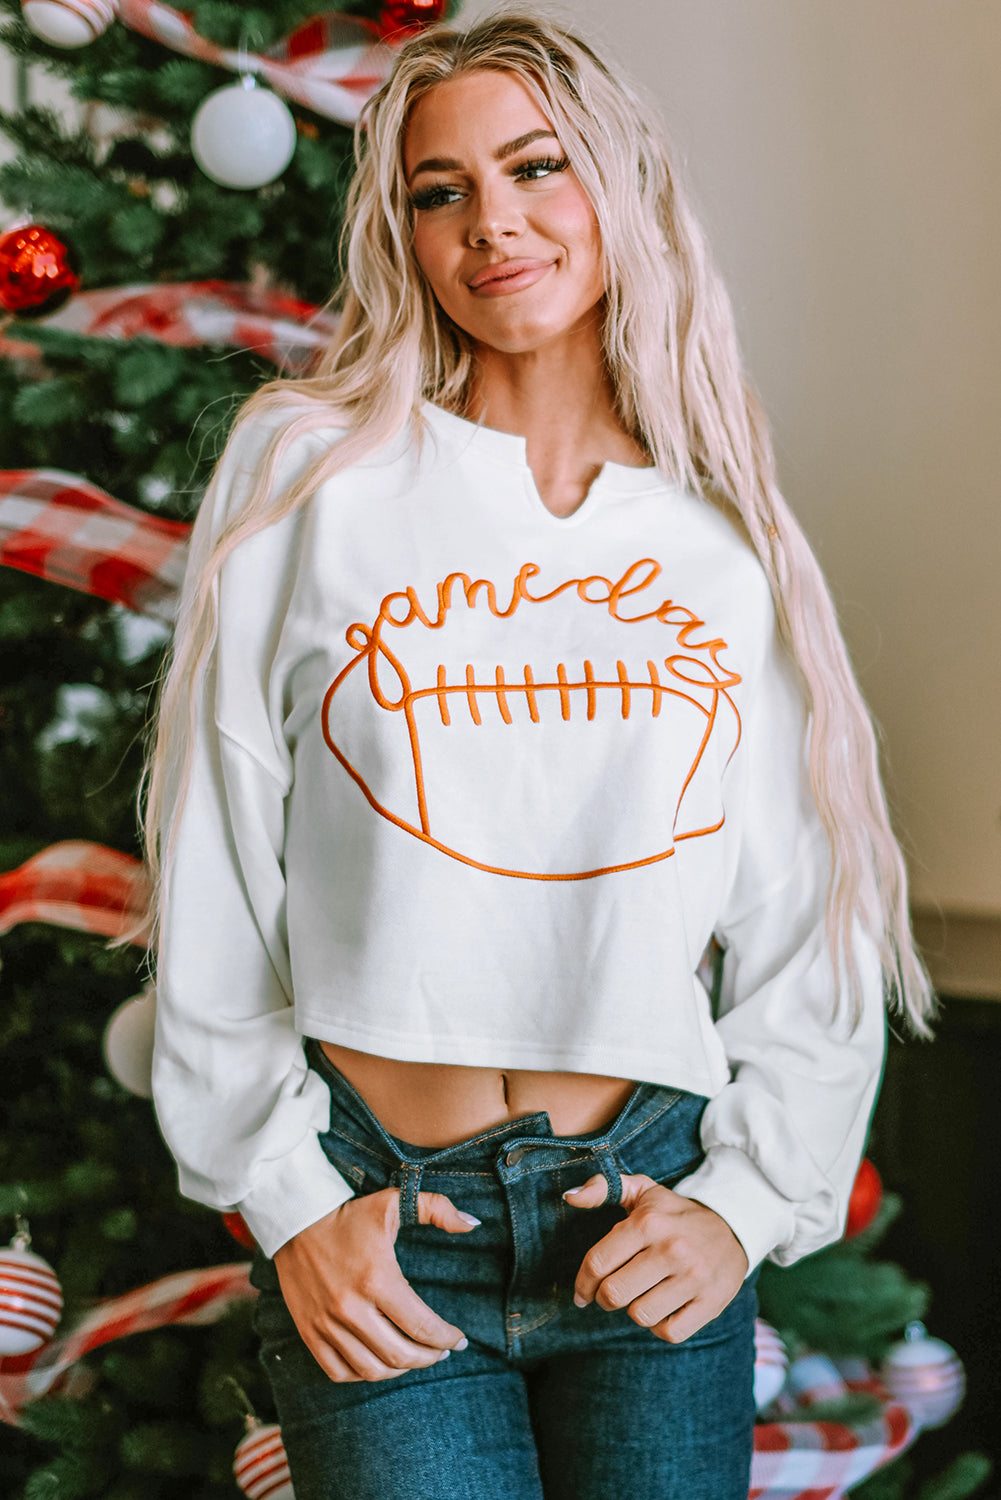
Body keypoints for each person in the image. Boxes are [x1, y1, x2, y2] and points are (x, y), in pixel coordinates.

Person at [143, 7, 936, 1498]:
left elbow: (803, 919)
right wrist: (289, 1200)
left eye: (535, 169)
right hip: (385, 1228)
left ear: (618, 191)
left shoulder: (719, 544)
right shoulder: (307, 474)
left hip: (642, 1215)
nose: (490, 222)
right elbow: (214, 873)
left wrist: (745, 1204)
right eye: (438, 192)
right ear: (402, 230)